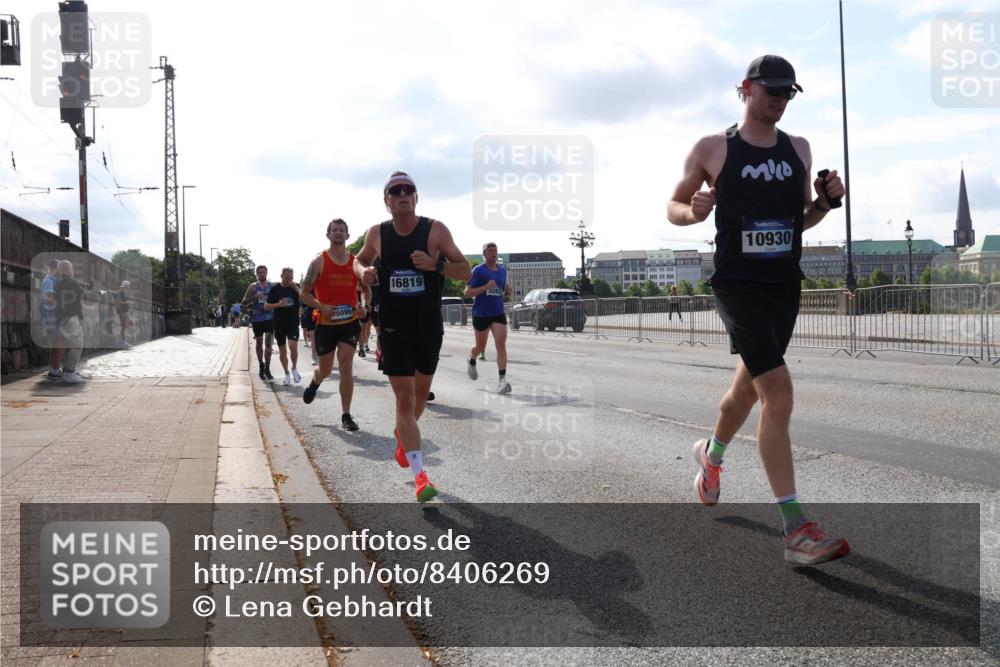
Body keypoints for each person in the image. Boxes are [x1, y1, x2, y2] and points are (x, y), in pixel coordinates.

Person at [667, 55, 848, 566]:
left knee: (744, 392)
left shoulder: (799, 150)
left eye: (788, 92)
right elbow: (673, 207)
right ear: (745, 88)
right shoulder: (713, 148)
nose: (779, 99)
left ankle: (711, 456)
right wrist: (693, 210)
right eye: (771, 89)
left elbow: (798, 224)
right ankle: (795, 529)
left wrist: (825, 204)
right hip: (737, 286)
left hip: (783, 287)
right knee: (779, 392)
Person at [356, 171, 471, 502]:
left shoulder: (434, 230)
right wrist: (363, 272)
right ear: (387, 200)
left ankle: (403, 436)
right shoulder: (377, 233)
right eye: (396, 190)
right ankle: (421, 476)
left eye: (409, 189)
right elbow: (359, 261)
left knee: (421, 398)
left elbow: (464, 269)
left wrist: (435, 266)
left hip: (427, 327)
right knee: (404, 400)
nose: (403, 193)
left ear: (416, 198)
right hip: (392, 328)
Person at [299, 219, 364, 432]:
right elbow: (304, 292)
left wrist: (365, 305)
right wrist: (320, 306)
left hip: (349, 323)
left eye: (342, 230)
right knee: (325, 369)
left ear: (347, 235)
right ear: (328, 235)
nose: (338, 233)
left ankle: (346, 415)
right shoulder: (319, 262)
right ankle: (316, 382)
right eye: (334, 230)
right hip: (326, 323)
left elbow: (366, 289)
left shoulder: (355, 262)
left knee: (346, 365)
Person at [464, 242, 512, 393]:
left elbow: (502, 291)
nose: (493, 253)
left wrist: (508, 292)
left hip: (497, 312)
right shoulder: (478, 271)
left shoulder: (502, 271)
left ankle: (502, 381)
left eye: (495, 250)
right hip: (481, 313)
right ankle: (472, 359)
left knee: (501, 344)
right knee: (480, 347)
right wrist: (485, 287)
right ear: (484, 255)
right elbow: (467, 293)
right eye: (490, 250)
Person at [53, 260, 90, 384]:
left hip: (62, 318)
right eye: (71, 268)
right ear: (67, 270)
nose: (72, 270)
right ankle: (69, 372)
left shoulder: (56, 282)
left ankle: (68, 372)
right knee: (76, 345)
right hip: (71, 318)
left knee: (69, 345)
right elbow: (84, 295)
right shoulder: (70, 281)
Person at [265, 267, 302, 386]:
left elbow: (305, 298)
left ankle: (294, 368)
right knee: (282, 351)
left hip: (293, 322)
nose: (289, 280)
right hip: (279, 323)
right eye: (287, 278)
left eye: (291, 278)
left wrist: (296, 288)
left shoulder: (296, 287)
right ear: (281, 276)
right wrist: (278, 304)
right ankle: (286, 373)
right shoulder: (275, 289)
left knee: (293, 346)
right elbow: (266, 306)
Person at [242, 265, 275, 380]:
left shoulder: (272, 286)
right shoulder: (253, 287)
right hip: (257, 319)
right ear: (257, 274)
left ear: (267, 273)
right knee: (259, 343)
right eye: (260, 272)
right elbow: (244, 302)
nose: (262, 274)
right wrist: (255, 297)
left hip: (270, 318)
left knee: (268, 344)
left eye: (264, 272)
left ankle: (268, 368)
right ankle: (261, 365)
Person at [40, 259, 63, 379]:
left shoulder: (52, 280)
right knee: (57, 342)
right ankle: (54, 369)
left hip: (54, 316)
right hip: (51, 317)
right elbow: (47, 297)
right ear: (55, 268)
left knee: (58, 342)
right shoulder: (49, 281)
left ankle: (55, 368)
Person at [116, 281, 133, 347]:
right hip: (122, 311)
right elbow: (118, 301)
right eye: (128, 285)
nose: (129, 287)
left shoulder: (123, 293)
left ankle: (123, 341)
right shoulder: (120, 292)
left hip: (124, 311)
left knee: (127, 325)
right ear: (125, 286)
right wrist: (127, 302)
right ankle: (123, 342)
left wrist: (127, 303)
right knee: (126, 325)